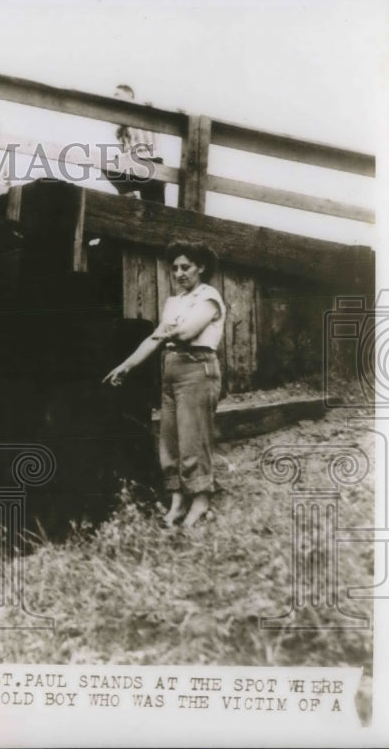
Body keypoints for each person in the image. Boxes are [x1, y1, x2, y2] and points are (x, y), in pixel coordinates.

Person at [103, 241, 225, 528]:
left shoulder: (208, 296)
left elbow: (188, 332)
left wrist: (166, 332)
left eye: (186, 267)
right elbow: (155, 338)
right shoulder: (175, 302)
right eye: (175, 268)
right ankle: (177, 500)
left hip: (198, 367)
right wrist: (126, 365)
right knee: (169, 439)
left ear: (201, 268)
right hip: (171, 369)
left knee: (194, 437)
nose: (180, 273)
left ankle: (201, 500)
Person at [103, 84, 166, 204]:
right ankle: (127, 192)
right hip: (134, 164)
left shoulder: (144, 110)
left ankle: (129, 193)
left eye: (117, 95)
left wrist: (151, 108)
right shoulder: (119, 123)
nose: (114, 98)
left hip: (152, 162)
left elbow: (163, 115)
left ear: (130, 96)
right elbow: (122, 144)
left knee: (154, 210)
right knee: (105, 162)